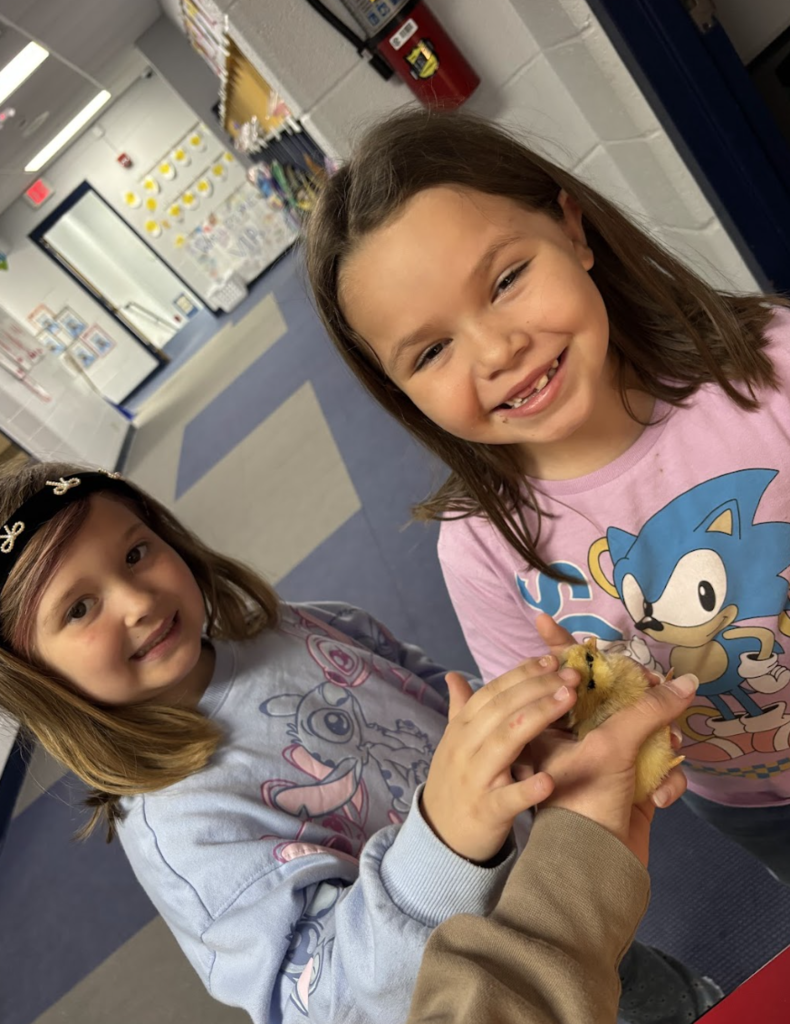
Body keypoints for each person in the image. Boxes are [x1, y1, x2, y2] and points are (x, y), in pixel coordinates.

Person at [304, 105, 790, 1021]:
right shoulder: (483, 546)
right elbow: (566, 735)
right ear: (398, 388)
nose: (498, 351)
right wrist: (565, 741)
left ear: (574, 228)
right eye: (433, 349)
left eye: (508, 278)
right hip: (749, 795)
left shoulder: (768, 365)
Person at [0, 459, 658, 1024]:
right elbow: (331, 1000)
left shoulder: (291, 626)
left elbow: (430, 689)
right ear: (36, 677)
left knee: (657, 991)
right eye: (78, 608)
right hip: (480, 993)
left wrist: (530, 726)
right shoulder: (185, 835)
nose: (136, 601)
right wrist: (447, 845)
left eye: (136, 552)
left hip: (563, 882)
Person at [406, 635, 699, 1024]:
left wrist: (519, 728)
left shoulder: (337, 620)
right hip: (549, 892)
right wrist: (447, 844)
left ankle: (695, 1002)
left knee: (635, 975)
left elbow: (428, 680)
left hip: (560, 867)